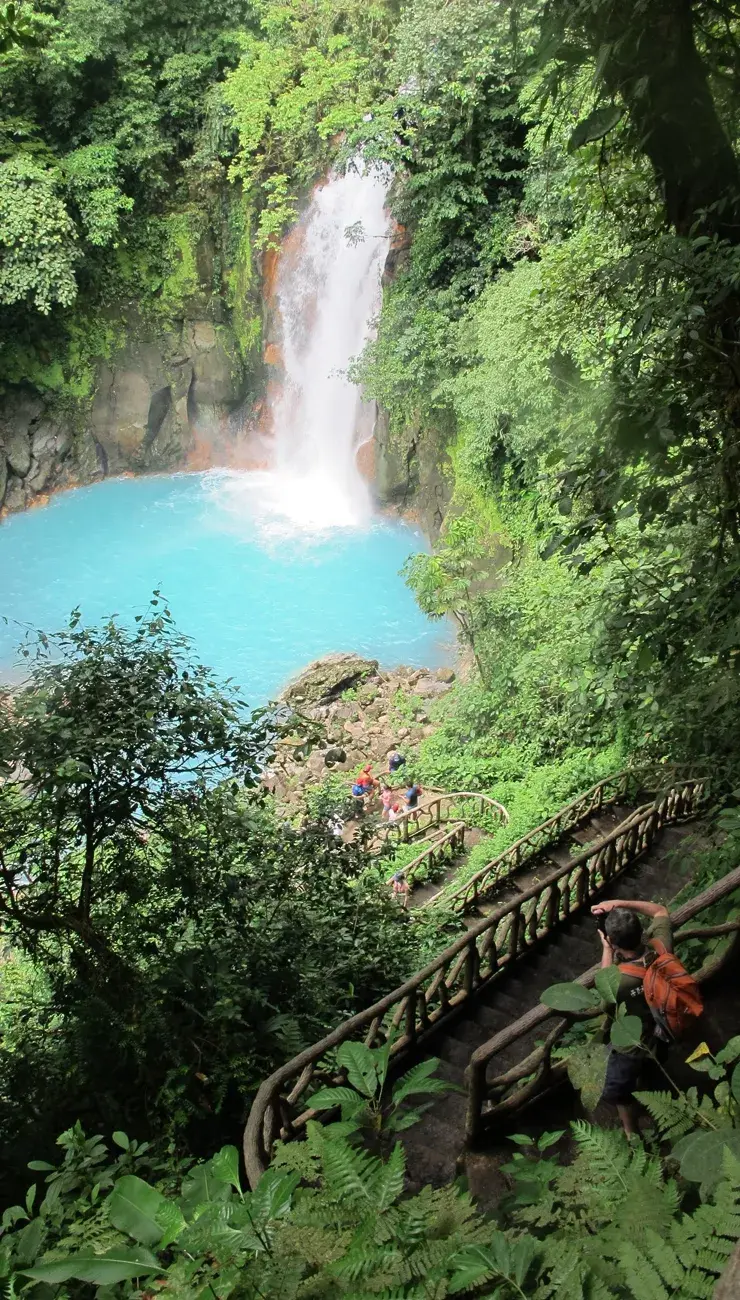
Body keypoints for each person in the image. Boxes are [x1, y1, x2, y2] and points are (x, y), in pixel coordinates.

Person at [591, 896, 673, 1139]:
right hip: (665, 1028)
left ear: (613, 942)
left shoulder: (620, 980)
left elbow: (604, 998)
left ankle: (631, 1130)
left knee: (616, 1091)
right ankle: (659, 1103)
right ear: (641, 932)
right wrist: (618, 902)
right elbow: (660, 909)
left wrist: (606, 950)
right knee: (653, 1070)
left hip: (632, 1044)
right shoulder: (661, 947)